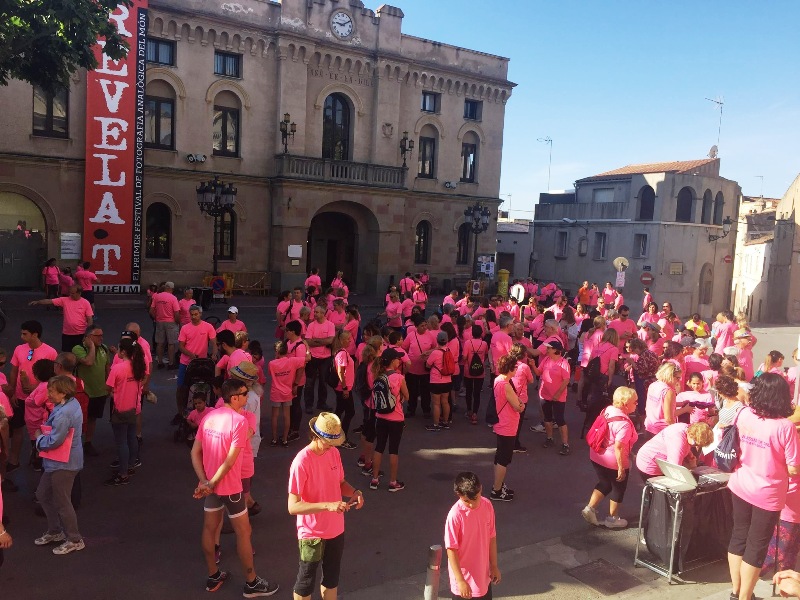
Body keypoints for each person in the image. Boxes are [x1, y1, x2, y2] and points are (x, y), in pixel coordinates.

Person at [191, 378, 279, 596]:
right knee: (244, 532)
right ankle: (252, 583)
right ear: (234, 397)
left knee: (210, 529)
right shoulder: (238, 422)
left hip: (211, 487)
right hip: (230, 488)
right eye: (243, 393)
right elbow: (230, 461)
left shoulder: (209, 416)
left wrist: (205, 482)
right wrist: (211, 483)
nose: (247, 396)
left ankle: (213, 576)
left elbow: (194, 452)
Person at [727, 374, 800, 600]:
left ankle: (736, 592)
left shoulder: (744, 414)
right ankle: (745, 597)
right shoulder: (785, 427)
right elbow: (793, 468)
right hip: (766, 494)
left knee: (738, 536)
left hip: (740, 484)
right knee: (756, 547)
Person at [287, 412, 364, 600]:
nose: (332, 446)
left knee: (331, 580)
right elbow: (293, 507)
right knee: (305, 584)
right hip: (311, 533)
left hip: (336, 529)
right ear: (316, 436)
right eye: (328, 441)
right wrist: (327, 506)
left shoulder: (334, 453)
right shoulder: (301, 461)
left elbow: (340, 483)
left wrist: (355, 492)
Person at [33, 375, 85, 555]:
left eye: (51, 391)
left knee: (62, 502)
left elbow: (55, 441)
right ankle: (55, 531)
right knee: (42, 494)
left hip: (64, 463)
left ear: (63, 393)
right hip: (58, 462)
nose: (48, 394)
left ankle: (74, 539)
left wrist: (39, 438)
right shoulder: (70, 404)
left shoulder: (64, 413)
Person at [3, 321, 58, 474]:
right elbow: (14, 371)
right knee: (17, 428)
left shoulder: (50, 352)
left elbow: (52, 377)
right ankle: (14, 460)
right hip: (20, 398)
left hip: (40, 400)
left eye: (25, 334)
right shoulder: (19, 349)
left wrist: (36, 389)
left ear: (35, 334)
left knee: (40, 430)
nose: (21, 337)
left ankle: (37, 457)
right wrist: (13, 392)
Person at [582, 387, 638, 529]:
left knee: (605, 483)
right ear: (625, 404)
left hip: (596, 455)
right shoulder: (624, 423)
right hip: (613, 461)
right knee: (618, 488)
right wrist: (621, 468)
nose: (637, 404)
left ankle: (590, 508)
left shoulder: (608, 410)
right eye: (635, 402)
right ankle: (613, 519)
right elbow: (618, 447)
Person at [444, 472, 500, 600]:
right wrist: (460, 581)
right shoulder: (455, 515)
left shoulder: (487, 506)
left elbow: (492, 537)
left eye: (475, 498)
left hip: (483, 576)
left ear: (480, 489)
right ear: (459, 495)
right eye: (466, 501)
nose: (471, 504)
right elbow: (451, 550)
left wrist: (494, 565)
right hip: (464, 582)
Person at [105, 338, 147, 486]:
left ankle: (123, 475)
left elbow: (108, 387)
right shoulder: (137, 367)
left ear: (122, 352)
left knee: (121, 442)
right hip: (133, 408)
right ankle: (130, 466)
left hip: (120, 409)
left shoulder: (117, 368)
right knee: (132, 438)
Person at [369, 349, 409, 492]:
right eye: (398, 359)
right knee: (393, 449)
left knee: (379, 447)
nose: (400, 361)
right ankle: (393, 481)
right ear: (393, 361)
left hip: (380, 416)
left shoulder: (378, 376)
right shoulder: (399, 377)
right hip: (396, 417)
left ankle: (374, 479)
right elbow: (407, 395)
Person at [73, 326, 111, 456]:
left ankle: (88, 443)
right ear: (88, 337)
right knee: (79, 419)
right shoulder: (78, 349)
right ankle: (75, 445)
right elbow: (88, 362)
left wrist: (109, 386)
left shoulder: (104, 348)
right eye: (97, 336)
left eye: (102, 335)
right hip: (84, 393)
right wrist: (92, 347)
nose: (101, 338)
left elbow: (107, 367)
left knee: (92, 418)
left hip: (100, 392)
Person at [490, 355, 525, 502]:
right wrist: (521, 405)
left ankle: (497, 485)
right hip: (507, 425)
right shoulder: (505, 384)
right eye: (515, 367)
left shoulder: (498, 379)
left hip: (501, 423)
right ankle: (496, 490)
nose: (517, 369)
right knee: (504, 459)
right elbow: (518, 406)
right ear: (510, 368)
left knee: (500, 457)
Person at [176, 305, 218, 420]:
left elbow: (214, 343)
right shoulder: (185, 328)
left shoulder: (208, 327)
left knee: (205, 385)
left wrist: (214, 354)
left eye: (196, 314)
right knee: (181, 387)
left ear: (200, 314)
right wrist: (190, 355)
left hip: (201, 363)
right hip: (186, 362)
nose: (193, 317)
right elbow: (181, 346)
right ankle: (181, 412)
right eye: (192, 314)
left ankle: (207, 408)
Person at [635, 421, 713, 478]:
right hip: (649, 464)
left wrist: (689, 454)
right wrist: (692, 468)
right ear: (692, 434)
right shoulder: (678, 441)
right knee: (657, 497)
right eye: (695, 444)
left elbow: (684, 446)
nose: (696, 447)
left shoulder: (686, 428)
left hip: (651, 457)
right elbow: (674, 470)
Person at [269, 341, 310, 447]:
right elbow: (308, 358)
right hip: (288, 392)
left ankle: (274, 439)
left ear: (277, 352)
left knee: (275, 416)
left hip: (276, 393)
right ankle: (285, 439)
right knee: (287, 416)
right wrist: (307, 346)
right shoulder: (292, 361)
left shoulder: (272, 364)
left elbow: (270, 373)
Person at [30, 285, 94, 352]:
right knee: (66, 353)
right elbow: (50, 301)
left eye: (73, 293)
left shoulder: (85, 303)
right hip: (67, 333)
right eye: (70, 293)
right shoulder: (64, 300)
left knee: (80, 353)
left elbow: (90, 319)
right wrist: (38, 302)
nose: (70, 295)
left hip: (81, 333)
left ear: (79, 293)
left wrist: (87, 334)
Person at [534, 340, 571, 455]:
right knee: (547, 418)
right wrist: (532, 365)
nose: (547, 350)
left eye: (549, 348)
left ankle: (565, 444)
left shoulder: (563, 363)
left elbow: (566, 380)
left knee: (560, 419)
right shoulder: (546, 359)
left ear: (555, 350)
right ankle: (549, 438)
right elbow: (538, 373)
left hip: (558, 397)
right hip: (544, 394)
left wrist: (558, 394)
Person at [304, 306, 336, 414]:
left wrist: (316, 341)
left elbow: (331, 341)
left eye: (317, 312)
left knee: (323, 381)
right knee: (310, 382)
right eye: (315, 312)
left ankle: (321, 402)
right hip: (313, 357)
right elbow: (308, 341)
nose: (315, 314)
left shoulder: (330, 325)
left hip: (325, 358)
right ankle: (309, 404)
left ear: (323, 314)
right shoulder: (311, 325)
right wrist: (323, 341)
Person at [426, 331, 454, 432]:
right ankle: (446, 422)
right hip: (448, 380)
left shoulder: (435, 353)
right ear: (446, 341)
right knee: (445, 402)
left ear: (437, 341)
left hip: (436, 380)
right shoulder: (448, 350)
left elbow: (428, 365)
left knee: (436, 403)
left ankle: (436, 424)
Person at [462, 325, 488, 426]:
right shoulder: (484, 343)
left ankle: (469, 410)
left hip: (468, 370)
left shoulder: (468, 343)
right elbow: (485, 355)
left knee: (468, 391)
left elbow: (464, 357)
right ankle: (475, 413)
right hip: (480, 371)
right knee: (477, 393)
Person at [151, 281, 180, 369]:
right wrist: (177, 322)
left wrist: (156, 318)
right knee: (171, 343)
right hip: (171, 322)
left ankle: (160, 362)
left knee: (160, 343)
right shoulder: (173, 298)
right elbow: (176, 313)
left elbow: (151, 310)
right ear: (171, 289)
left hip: (160, 321)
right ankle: (171, 363)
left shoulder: (157, 297)